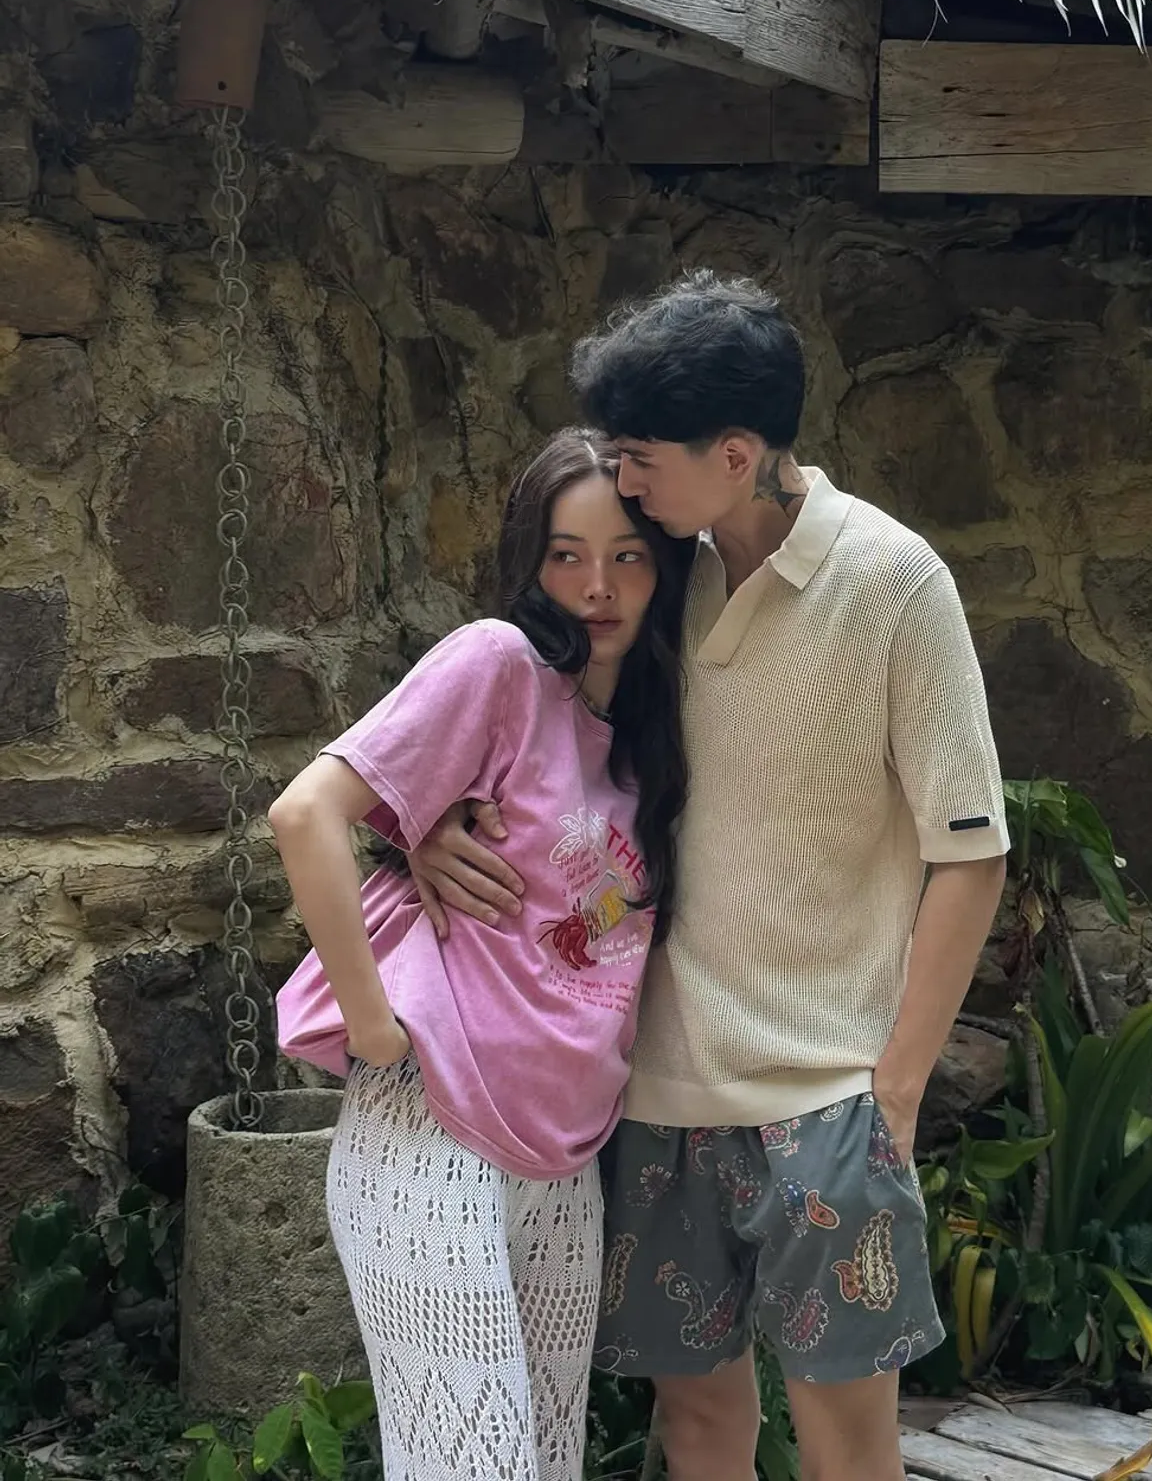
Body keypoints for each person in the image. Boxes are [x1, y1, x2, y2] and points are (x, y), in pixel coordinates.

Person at [407, 273, 1011, 1481]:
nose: (623, 481)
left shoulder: (894, 582)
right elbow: (529, 738)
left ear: (734, 456)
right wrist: (429, 826)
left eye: (641, 458)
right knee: (695, 1430)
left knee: (846, 1449)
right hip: (653, 1096)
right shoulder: (655, 577)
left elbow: (971, 851)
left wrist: (893, 1090)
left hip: (826, 1100)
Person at [268, 427, 692, 1481]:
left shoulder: (650, 730)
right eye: (565, 555)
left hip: (563, 1159)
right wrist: (376, 1029)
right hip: (437, 1133)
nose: (597, 587)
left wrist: (421, 829)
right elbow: (306, 812)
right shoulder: (498, 663)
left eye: (628, 556)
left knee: (543, 1462)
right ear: (529, 562)